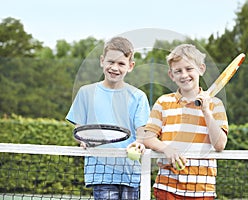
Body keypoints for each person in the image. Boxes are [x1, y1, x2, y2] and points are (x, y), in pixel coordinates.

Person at [137, 44, 228, 199]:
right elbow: (148, 137)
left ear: (201, 69)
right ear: (171, 75)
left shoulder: (216, 104)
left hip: (202, 188)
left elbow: (219, 145)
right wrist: (167, 149)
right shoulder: (163, 102)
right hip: (167, 187)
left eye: (189, 68)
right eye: (178, 71)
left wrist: (206, 111)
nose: (184, 74)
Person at [66, 36, 150, 200]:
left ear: (130, 66)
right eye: (110, 62)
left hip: (130, 172)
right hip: (100, 172)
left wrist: (139, 143)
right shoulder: (85, 93)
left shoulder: (139, 97)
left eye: (121, 64)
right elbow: (79, 130)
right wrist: (83, 140)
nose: (114, 68)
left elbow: (142, 133)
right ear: (102, 61)